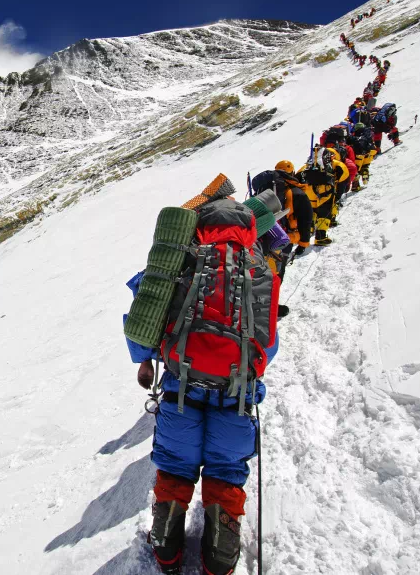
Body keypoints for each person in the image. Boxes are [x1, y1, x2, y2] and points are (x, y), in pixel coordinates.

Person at [127, 182, 282, 575]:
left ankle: (167, 541)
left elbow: (143, 310)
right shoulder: (261, 268)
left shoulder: (184, 258)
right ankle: (220, 549)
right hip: (236, 393)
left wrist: (145, 361)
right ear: (249, 227)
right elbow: (268, 345)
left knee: (176, 465)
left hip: (182, 386)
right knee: (226, 470)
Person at [299, 150, 339, 246]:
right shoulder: (327, 163)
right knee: (324, 212)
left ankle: (310, 229)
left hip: (308, 189)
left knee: (312, 211)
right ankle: (320, 237)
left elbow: (298, 175)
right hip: (324, 189)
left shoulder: (308, 166)